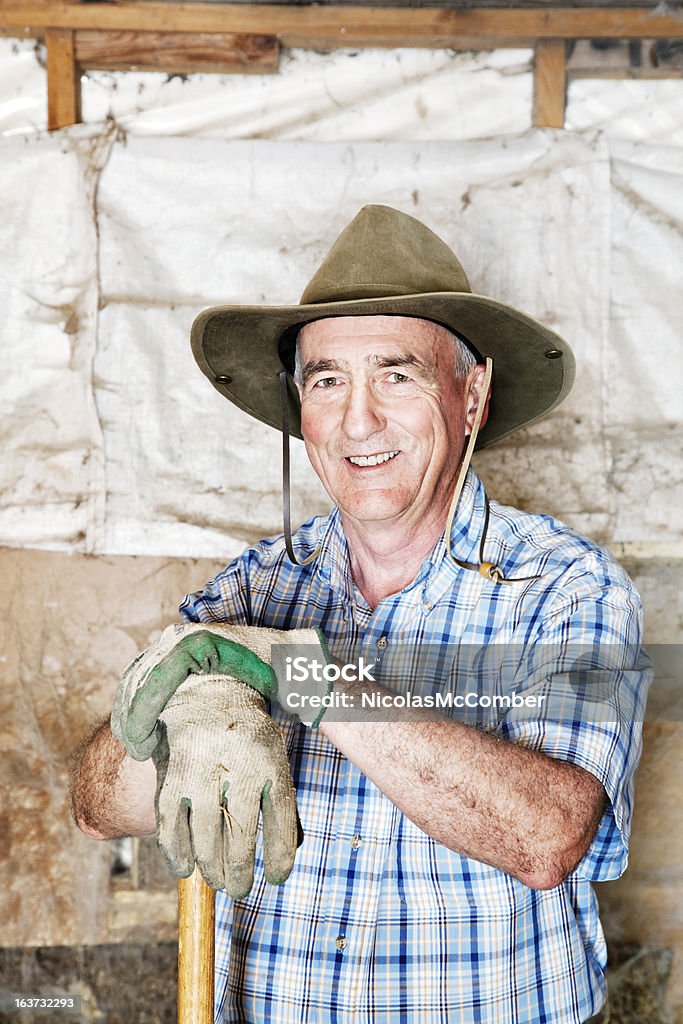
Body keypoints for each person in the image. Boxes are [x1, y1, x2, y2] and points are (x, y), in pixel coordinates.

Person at [71, 205, 651, 1024]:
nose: (358, 419)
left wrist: (292, 670)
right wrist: (185, 701)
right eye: (326, 380)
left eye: (397, 375)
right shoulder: (249, 590)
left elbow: (544, 839)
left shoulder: (568, 589)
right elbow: (100, 810)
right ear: (299, 407)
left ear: (471, 393)